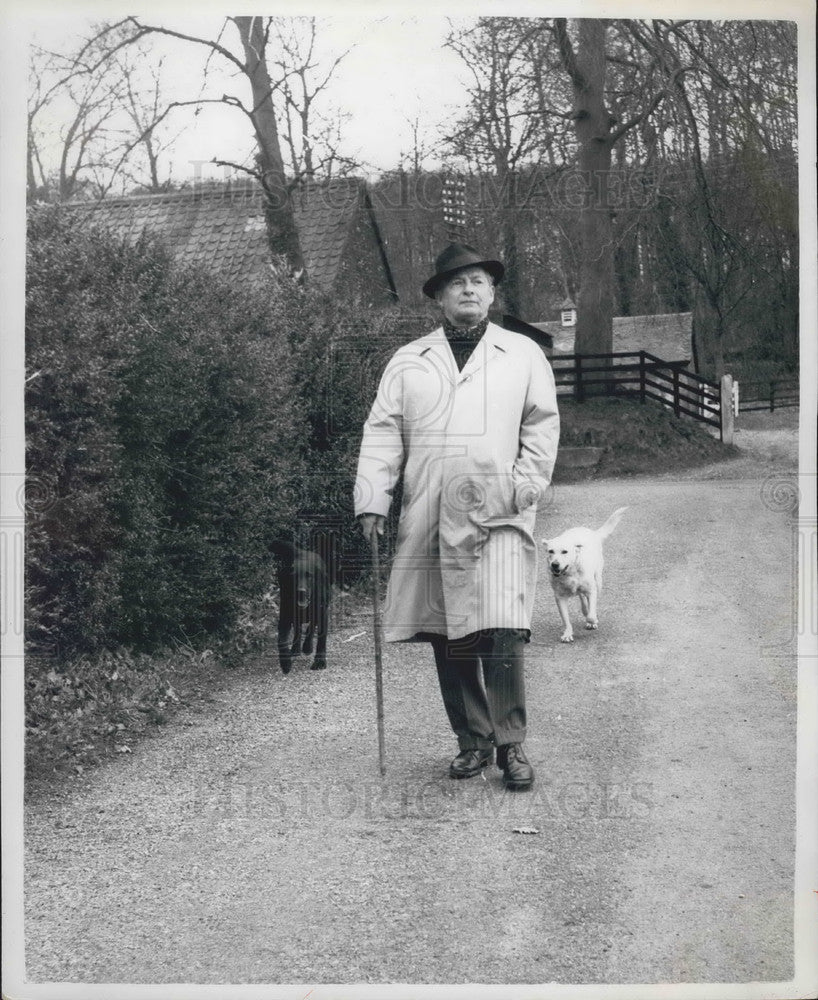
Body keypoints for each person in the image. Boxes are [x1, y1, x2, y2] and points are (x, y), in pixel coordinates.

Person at [355, 243, 560, 790]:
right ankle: (473, 741)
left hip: (499, 510)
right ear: (440, 297)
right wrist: (373, 497)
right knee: (449, 631)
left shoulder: (521, 354)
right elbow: (382, 431)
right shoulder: (408, 361)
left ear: (492, 294)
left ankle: (511, 744)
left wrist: (528, 482)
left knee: (502, 630)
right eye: (456, 283)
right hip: (430, 510)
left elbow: (541, 423)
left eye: (478, 282)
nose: (468, 290)